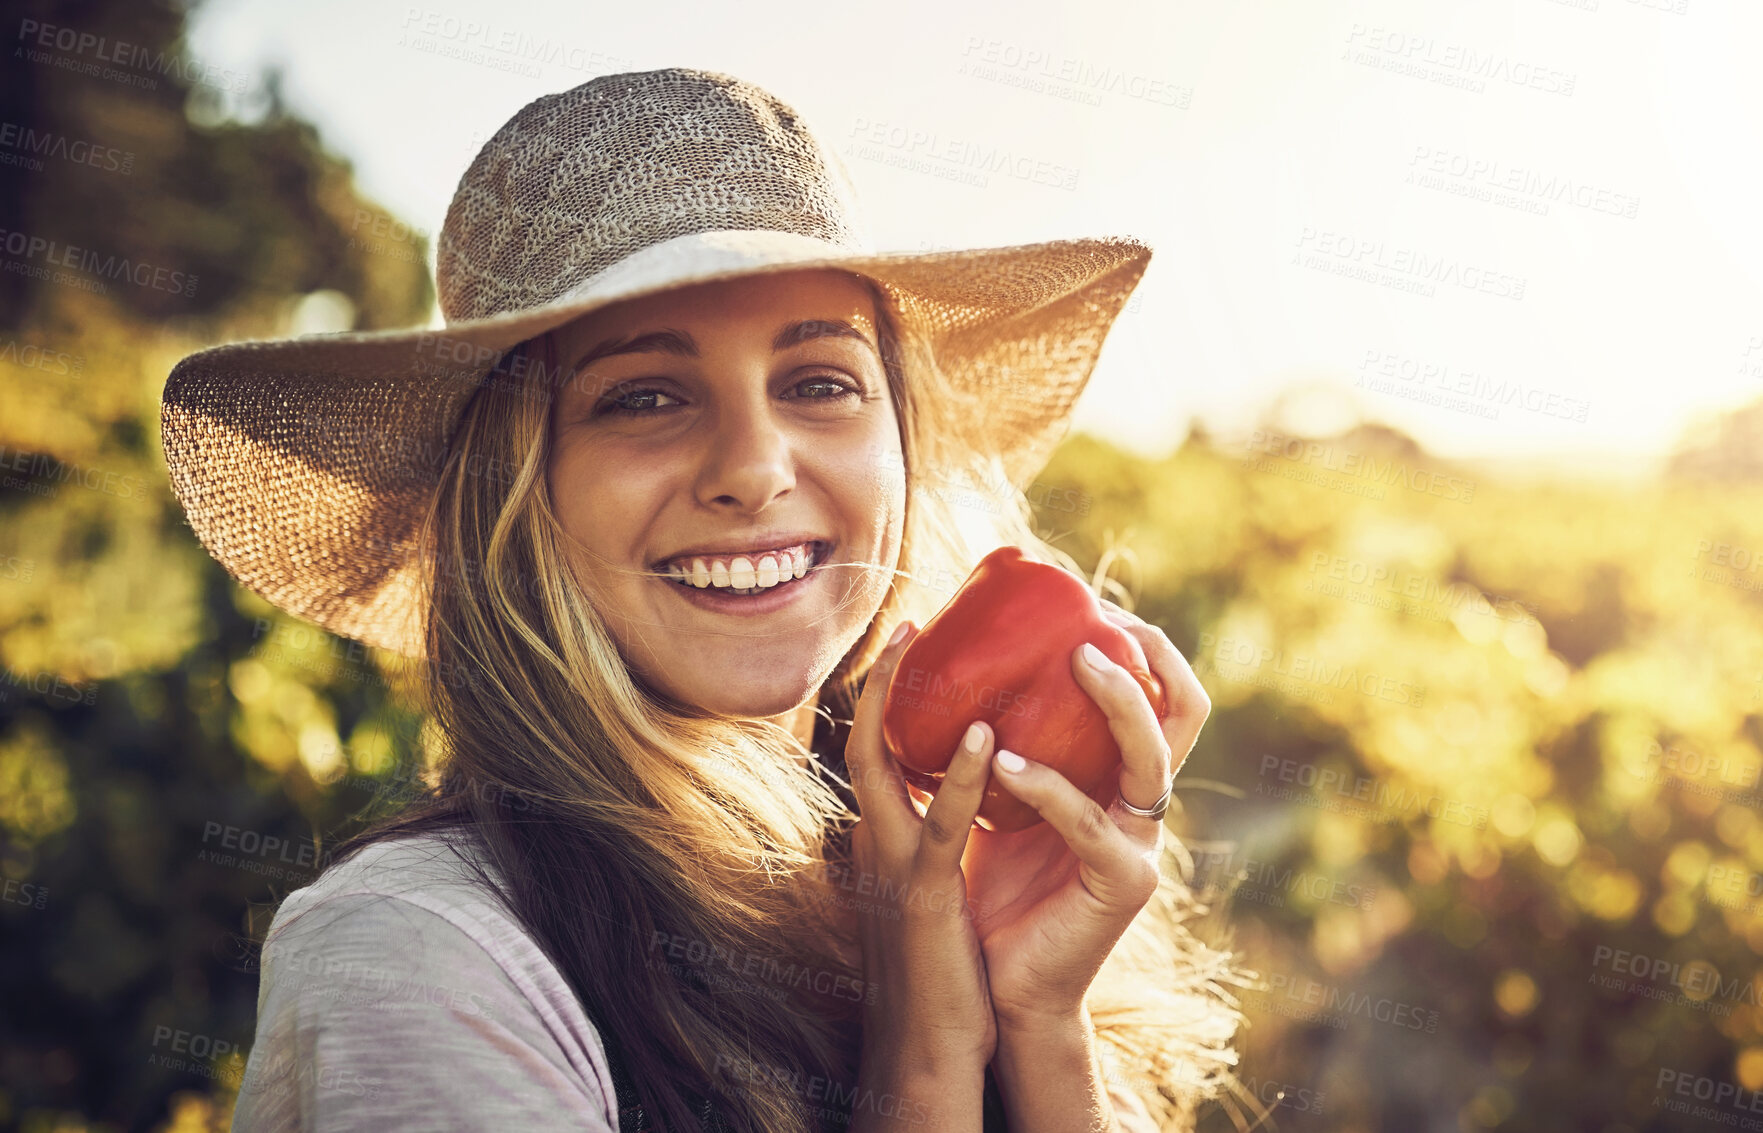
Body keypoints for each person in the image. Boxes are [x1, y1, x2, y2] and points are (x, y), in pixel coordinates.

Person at [162, 67, 1245, 1132]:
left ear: (901, 441)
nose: (754, 466)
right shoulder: (419, 954)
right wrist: (918, 1069)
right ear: (514, 484)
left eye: (819, 380)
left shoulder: (940, 868)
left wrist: (1040, 1019)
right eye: (642, 396)